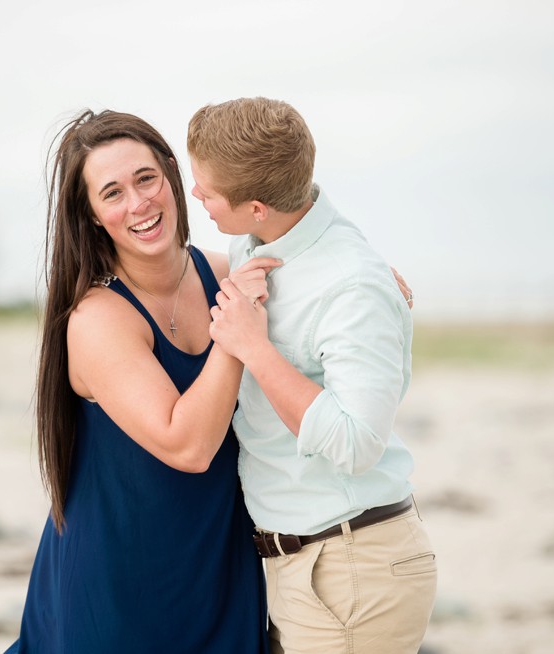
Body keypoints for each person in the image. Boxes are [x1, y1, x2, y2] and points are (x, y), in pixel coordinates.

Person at [4, 110, 269, 653]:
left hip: (222, 575)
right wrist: (236, 330)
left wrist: (365, 278)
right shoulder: (99, 318)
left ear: (172, 174)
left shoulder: (225, 275)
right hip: (118, 593)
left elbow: (317, 280)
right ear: (94, 215)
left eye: (146, 179)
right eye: (112, 193)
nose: (139, 204)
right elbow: (187, 444)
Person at [187, 97, 437, 654]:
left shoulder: (353, 286)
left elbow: (356, 443)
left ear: (256, 206)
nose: (196, 195)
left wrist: (253, 347)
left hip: (351, 568)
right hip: (300, 568)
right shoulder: (261, 236)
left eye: (206, 188)